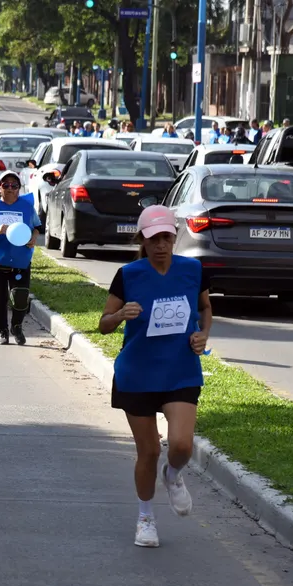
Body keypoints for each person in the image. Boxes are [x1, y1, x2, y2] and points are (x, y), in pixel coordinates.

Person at [98, 205, 211, 548]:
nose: (161, 245)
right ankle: (145, 517)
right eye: (153, 239)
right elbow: (103, 325)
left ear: (174, 238)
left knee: (181, 445)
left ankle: (173, 475)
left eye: (166, 238)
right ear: (142, 241)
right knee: (148, 452)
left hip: (180, 370)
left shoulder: (192, 270)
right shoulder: (128, 275)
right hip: (138, 374)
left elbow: (204, 307)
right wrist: (120, 314)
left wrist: (203, 335)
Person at [0, 169, 41, 345]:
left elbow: (37, 227)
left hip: (21, 258)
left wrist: (34, 237)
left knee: (21, 297)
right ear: (0, 187)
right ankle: (2, 330)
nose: (10, 188)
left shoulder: (27, 207)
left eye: (14, 185)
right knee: (0, 298)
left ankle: (16, 326)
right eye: (6, 185)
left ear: (19, 188)